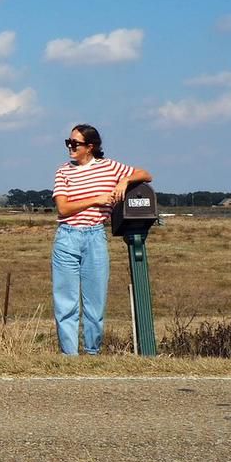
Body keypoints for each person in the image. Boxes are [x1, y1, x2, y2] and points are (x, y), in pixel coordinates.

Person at [51, 124, 151, 355]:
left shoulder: (110, 167)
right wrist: (96, 200)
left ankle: (93, 352)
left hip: (95, 236)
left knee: (95, 302)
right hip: (67, 236)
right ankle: (69, 355)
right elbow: (63, 208)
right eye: (68, 143)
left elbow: (146, 174)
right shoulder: (63, 171)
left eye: (75, 143)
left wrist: (125, 181)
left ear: (90, 147)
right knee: (66, 302)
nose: (70, 147)